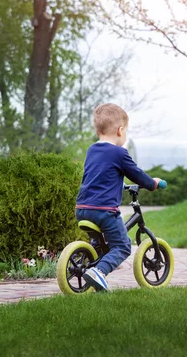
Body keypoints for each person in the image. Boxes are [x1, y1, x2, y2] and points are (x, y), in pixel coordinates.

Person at [76, 103, 160, 292]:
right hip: (103, 211)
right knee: (122, 246)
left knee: (100, 243)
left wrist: (118, 184)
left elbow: (97, 175)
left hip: (82, 209)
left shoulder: (92, 150)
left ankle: (93, 260)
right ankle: (99, 271)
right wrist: (152, 183)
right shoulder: (119, 153)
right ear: (120, 131)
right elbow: (136, 174)